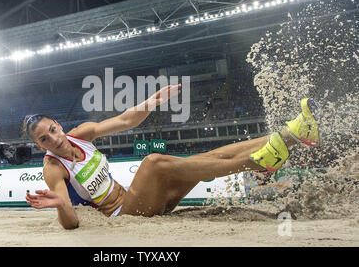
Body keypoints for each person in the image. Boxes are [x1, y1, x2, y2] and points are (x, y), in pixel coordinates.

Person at [24, 84, 320, 229]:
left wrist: (150, 102)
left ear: (59, 125)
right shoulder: (52, 168)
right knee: (153, 162)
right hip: (124, 213)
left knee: (206, 157)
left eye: (52, 129)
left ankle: (294, 134)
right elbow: (71, 224)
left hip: (144, 202)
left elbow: (126, 121)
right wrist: (60, 203)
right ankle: (258, 161)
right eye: (44, 139)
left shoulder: (81, 134)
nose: (53, 138)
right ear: (40, 146)